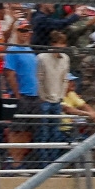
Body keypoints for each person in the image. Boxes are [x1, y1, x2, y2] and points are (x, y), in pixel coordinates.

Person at [3, 21, 41, 167]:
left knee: (28, 131)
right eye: (22, 31)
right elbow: (10, 74)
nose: (25, 33)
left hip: (33, 95)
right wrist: (17, 94)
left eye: (27, 31)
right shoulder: (13, 50)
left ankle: (19, 161)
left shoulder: (30, 51)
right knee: (17, 130)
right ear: (17, 32)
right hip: (22, 95)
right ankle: (14, 162)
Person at [36, 30, 71, 161]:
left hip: (57, 100)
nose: (61, 46)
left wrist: (61, 96)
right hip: (44, 100)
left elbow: (65, 79)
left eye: (63, 43)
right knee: (44, 134)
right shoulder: (42, 58)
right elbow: (39, 79)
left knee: (55, 134)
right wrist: (42, 97)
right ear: (53, 43)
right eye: (58, 43)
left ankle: (54, 162)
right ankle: (44, 163)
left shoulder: (66, 58)